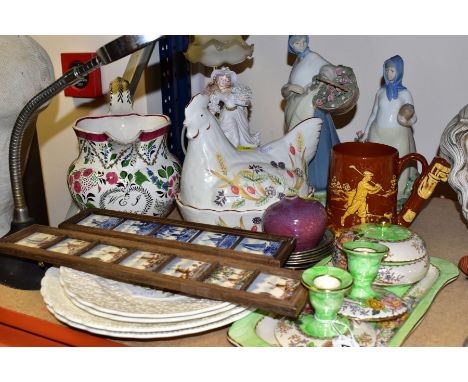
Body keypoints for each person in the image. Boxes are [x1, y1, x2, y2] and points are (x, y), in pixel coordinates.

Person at [281, 35, 341, 192]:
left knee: (317, 142)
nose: (300, 45)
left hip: (312, 107)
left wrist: (319, 82)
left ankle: (320, 181)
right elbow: (286, 90)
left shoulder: (313, 57)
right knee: (301, 145)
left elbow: (332, 71)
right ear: (291, 46)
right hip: (296, 108)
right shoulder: (297, 62)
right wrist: (291, 88)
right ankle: (303, 178)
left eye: (303, 41)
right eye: (296, 43)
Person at [357, 55, 417, 200]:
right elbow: (373, 113)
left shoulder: (405, 93)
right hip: (378, 132)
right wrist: (365, 133)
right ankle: (376, 192)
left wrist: (406, 121)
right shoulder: (380, 92)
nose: (389, 73)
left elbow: (414, 116)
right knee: (375, 163)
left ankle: (399, 194)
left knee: (399, 164)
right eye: (387, 70)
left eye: (392, 70)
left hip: (398, 134)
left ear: (399, 71)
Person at [203, 67, 260, 148]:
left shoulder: (234, 90)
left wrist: (245, 100)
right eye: (221, 80)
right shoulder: (217, 93)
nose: (223, 82)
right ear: (217, 81)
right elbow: (213, 107)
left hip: (238, 114)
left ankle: (241, 149)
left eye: (226, 80)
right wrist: (208, 119)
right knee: (234, 139)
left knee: (243, 137)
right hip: (228, 116)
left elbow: (244, 102)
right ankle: (230, 152)